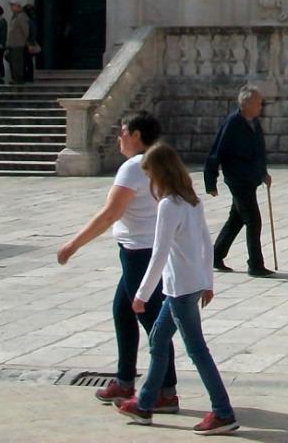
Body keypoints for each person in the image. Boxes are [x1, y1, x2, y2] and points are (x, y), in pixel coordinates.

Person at [56, 112, 179, 414]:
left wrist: (73, 244)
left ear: (136, 135)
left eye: (123, 132)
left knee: (152, 322)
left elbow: (110, 214)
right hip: (148, 250)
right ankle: (125, 380)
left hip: (139, 253)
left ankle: (166, 391)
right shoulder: (160, 162)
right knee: (123, 312)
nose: (119, 137)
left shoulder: (133, 167)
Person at [115, 143, 238, 435]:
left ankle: (223, 411)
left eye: (150, 176)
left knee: (197, 351)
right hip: (187, 286)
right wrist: (207, 282)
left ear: (160, 173)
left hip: (180, 289)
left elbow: (159, 254)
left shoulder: (169, 205)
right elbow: (207, 242)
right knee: (158, 341)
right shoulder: (192, 201)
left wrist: (141, 295)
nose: (150, 183)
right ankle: (145, 404)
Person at [204, 85, 273, 276]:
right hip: (238, 179)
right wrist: (211, 181)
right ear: (246, 104)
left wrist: (263, 173)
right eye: (258, 103)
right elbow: (216, 152)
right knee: (253, 220)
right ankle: (255, 264)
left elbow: (259, 150)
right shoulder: (232, 124)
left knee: (236, 219)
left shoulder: (254, 122)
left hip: (250, 178)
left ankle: (215, 256)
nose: (261, 106)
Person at [5, 0, 31, 84]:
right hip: (12, 44)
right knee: (12, 62)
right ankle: (14, 78)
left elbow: (26, 30)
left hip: (18, 44)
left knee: (17, 62)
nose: (11, 8)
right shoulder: (14, 16)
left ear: (18, 6)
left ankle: (18, 79)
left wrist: (25, 41)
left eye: (13, 5)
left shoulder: (21, 16)